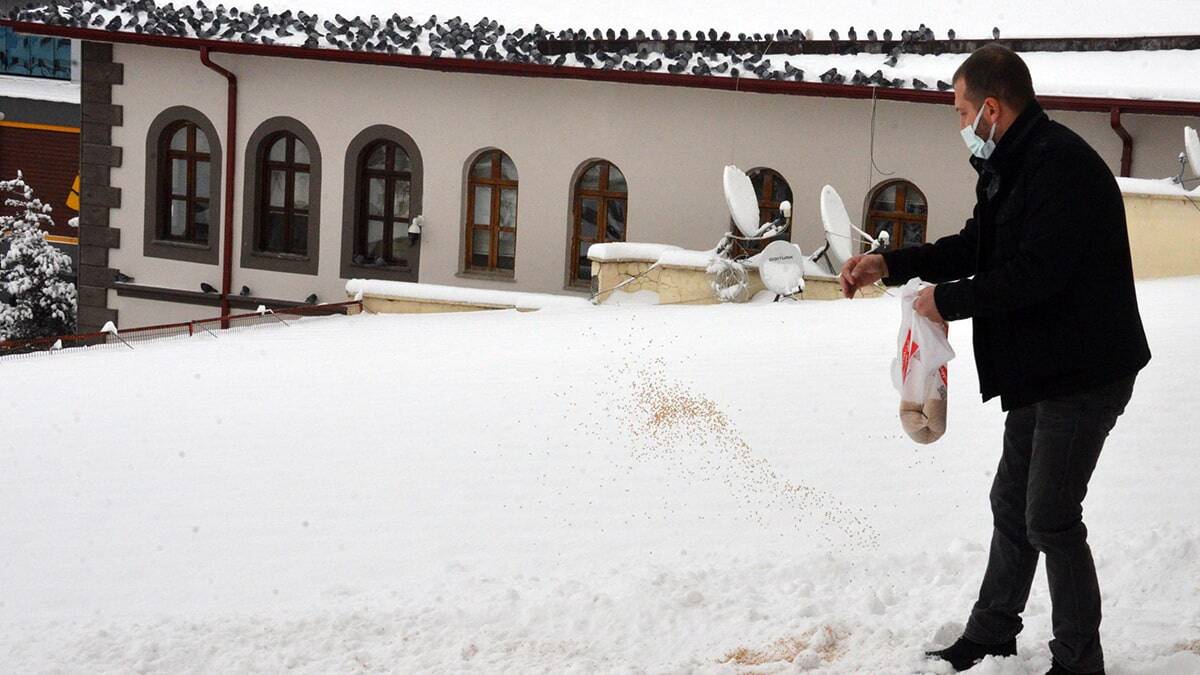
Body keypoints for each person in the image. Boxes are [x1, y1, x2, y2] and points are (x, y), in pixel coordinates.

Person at [839, 44, 1151, 675]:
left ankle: (1079, 661)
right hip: (1043, 365)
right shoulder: (1011, 162)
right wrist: (890, 263)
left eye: (961, 110)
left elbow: (1037, 273)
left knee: (1051, 518)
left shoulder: (1060, 165)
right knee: (1012, 505)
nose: (960, 123)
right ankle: (991, 632)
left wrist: (948, 301)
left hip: (1086, 369)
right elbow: (977, 244)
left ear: (990, 107)